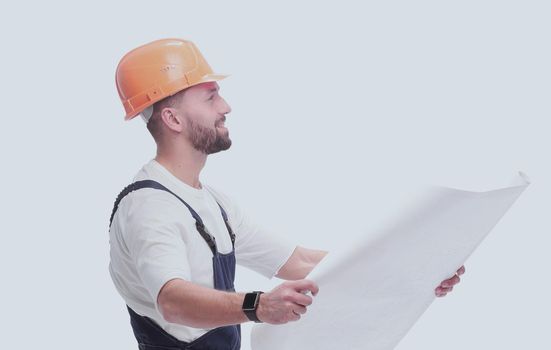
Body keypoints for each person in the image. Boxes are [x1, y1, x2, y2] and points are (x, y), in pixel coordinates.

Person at [109, 38, 465, 350]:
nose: (226, 107)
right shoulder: (149, 207)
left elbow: (302, 264)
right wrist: (257, 306)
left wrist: (416, 270)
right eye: (211, 96)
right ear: (173, 119)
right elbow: (172, 301)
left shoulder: (212, 203)